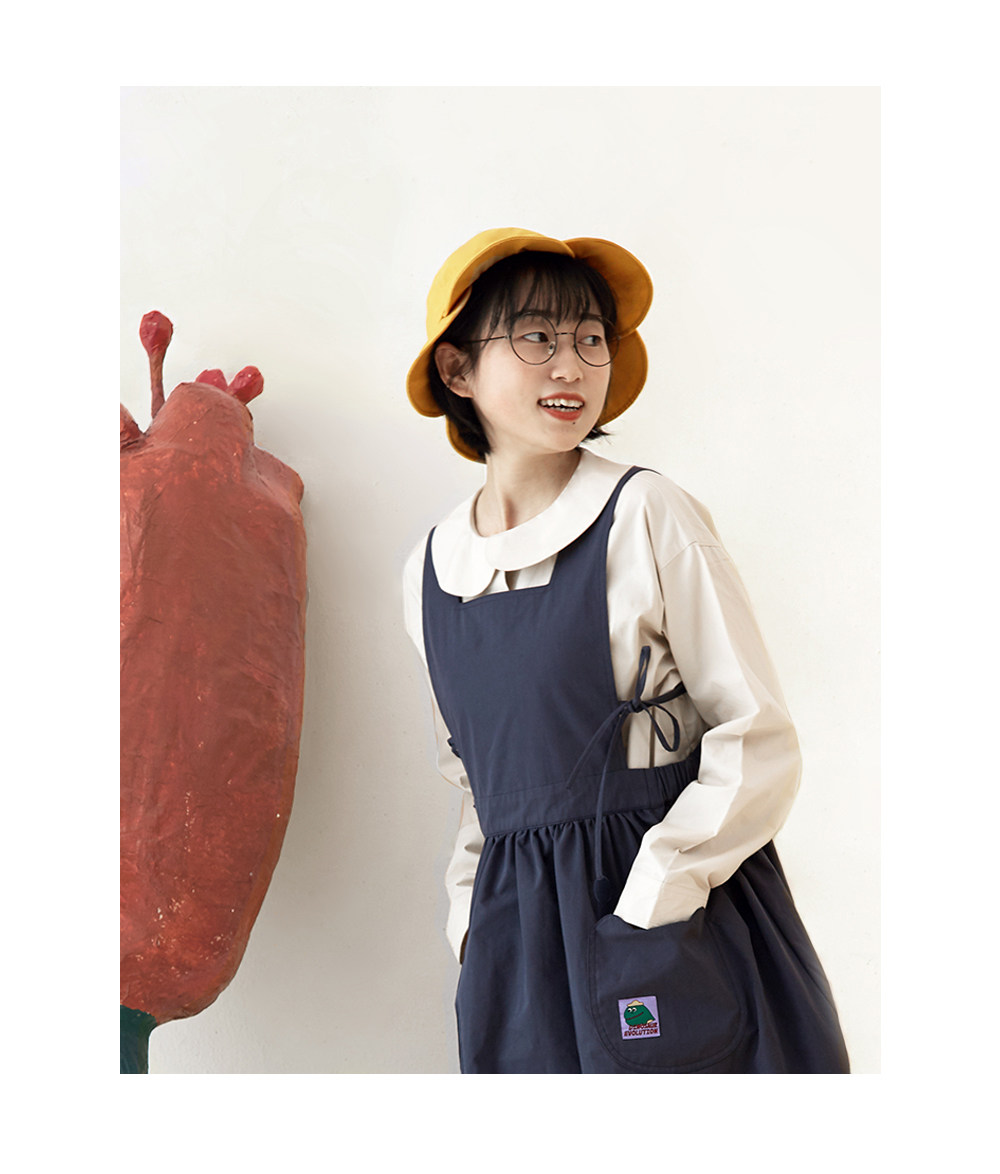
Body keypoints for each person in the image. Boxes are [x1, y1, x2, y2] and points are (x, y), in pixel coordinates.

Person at [402, 227, 850, 1074]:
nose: (571, 367)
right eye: (537, 337)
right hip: (518, 953)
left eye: (590, 339)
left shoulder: (646, 514)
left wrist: (656, 898)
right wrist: (471, 924)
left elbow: (756, 735)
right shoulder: (434, 571)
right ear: (458, 370)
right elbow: (474, 786)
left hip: (669, 921)